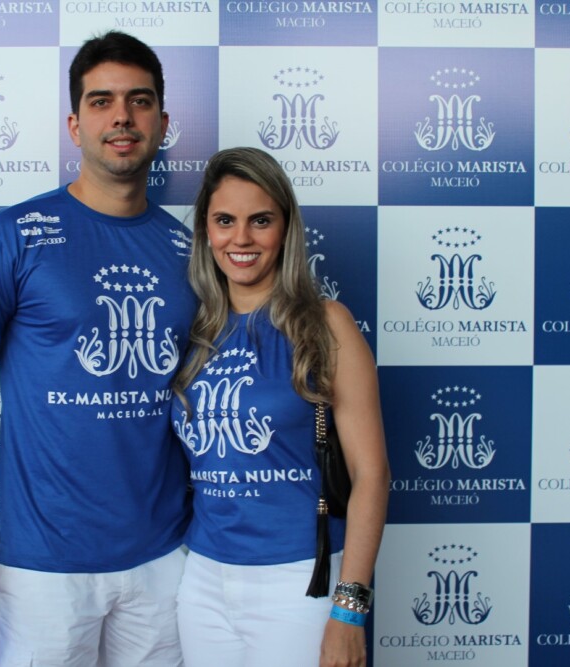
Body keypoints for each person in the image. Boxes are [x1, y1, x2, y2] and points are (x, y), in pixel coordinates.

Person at [0, 31, 196, 667]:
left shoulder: (188, 251)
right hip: (43, 569)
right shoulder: (13, 236)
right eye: (101, 101)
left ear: (162, 122)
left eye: (139, 100)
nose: (121, 117)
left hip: (164, 560)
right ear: (74, 125)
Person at [170, 147, 390, 667]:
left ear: (286, 229)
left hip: (298, 581)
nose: (241, 239)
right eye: (225, 221)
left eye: (261, 221)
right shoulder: (193, 331)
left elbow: (372, 475)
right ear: (206, 231)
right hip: (202, 579)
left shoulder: (325, 323)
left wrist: (350, 609)